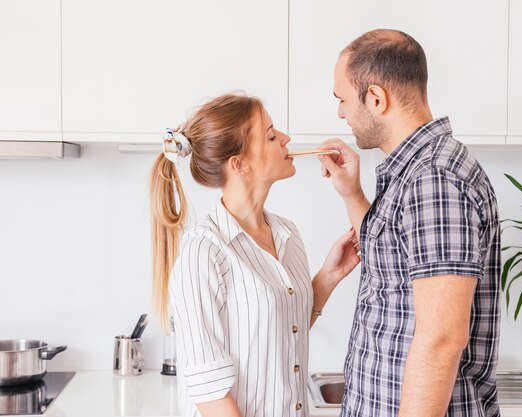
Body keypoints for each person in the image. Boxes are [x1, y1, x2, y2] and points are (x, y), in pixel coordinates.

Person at [317, 29, 501, 417]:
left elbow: (442, 338)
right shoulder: (416, 173)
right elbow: (396, 264)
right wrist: (352, 194)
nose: (341, 113)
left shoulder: (435, 178)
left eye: (343, 100)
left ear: (376, 98)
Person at [149, 93, 360, 417]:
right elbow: (211, 397)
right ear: (240, 164)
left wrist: (328, 277)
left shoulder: (287, 235)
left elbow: (282, 329)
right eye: (272, 136)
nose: (286, 139)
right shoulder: (204, 252)